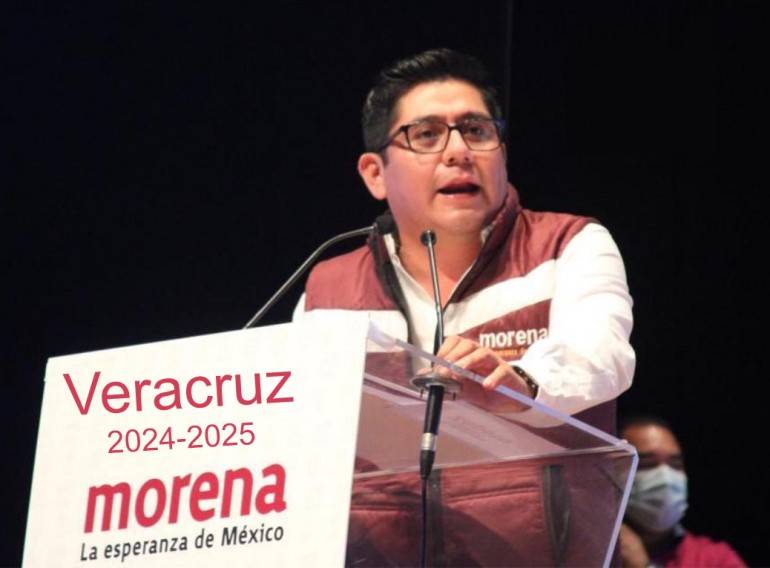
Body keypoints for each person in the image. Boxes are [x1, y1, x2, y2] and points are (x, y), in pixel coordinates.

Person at [292, 47, 637, 566]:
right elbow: (300, 435)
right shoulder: (327, 289)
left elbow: (601, 354)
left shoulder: (568, 246)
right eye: (427, 135)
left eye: (476, 131)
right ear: (375, 174)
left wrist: (520, 383)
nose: (459, 151)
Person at [619, 413, 747, 567]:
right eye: (647, 464)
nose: (665, 477)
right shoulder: (595, 549)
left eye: (675, 465)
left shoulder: (716, 559)